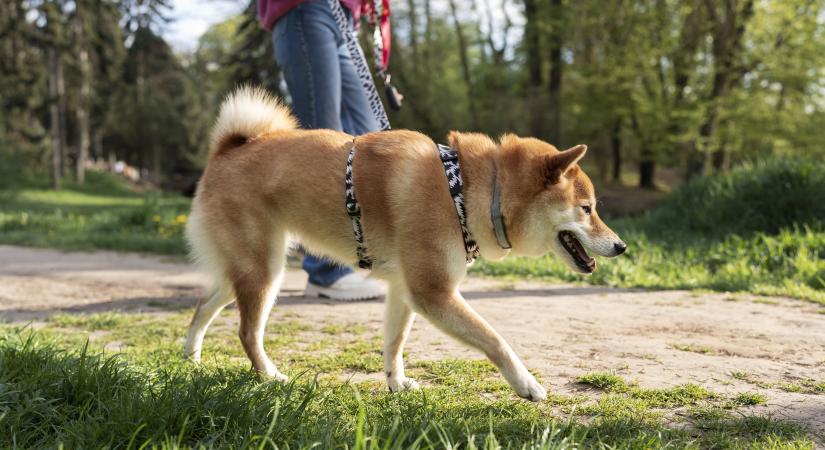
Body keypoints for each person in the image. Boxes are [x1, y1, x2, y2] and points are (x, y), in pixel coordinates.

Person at [258, 0, 385, 300]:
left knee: (373, 143)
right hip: (306, 10)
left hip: (344, 19)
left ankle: (367, 255)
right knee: (324, 151)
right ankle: (326, 270)